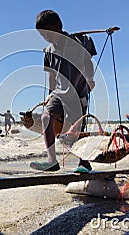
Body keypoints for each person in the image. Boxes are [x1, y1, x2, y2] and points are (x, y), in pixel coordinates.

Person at [30, 10, 99, 172]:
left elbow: (88, 62)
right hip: (58, 94)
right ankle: (52, 160)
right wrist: (49, 95)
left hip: (77, 93)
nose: (46, 37)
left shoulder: (79, 42)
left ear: (59, 27)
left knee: (77, 128)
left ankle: (84, 162)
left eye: (49, 33)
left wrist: (90, 79)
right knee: (47, 116)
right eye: (42, 35)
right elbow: (51, 76)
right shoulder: (47, 51)